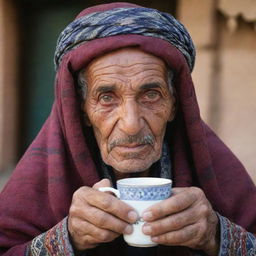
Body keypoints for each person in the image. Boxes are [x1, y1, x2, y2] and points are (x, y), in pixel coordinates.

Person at [0, 2, 255, 256]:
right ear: (82, 110)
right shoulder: (41, 179)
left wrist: (215, 235)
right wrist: (66, 238)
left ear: (175, 104)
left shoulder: (218, 173)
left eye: (151, 95)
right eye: (107, 98)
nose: (131, 124)